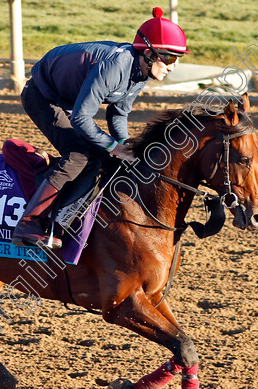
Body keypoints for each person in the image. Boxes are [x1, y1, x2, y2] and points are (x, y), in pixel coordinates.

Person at [11, 7, 189, 249]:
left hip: (70, 101)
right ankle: (29, 223)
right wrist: (113, 147)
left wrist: (125, 147)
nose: (171, 67)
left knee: (104, 156)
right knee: (78, 155)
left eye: (176, 60)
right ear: (148, 52)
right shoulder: (116, 66)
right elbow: (82, 119)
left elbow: (118, 113)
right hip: (42, 97)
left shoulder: (142, 72)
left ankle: (72, 217)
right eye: (169, 58)